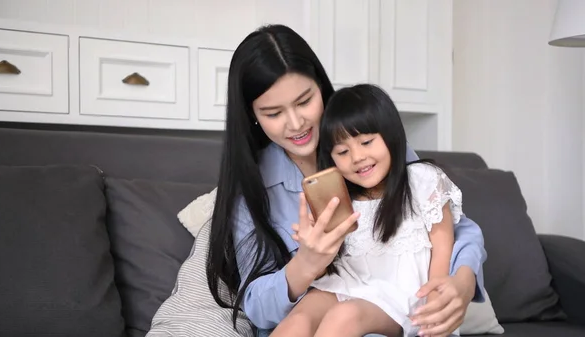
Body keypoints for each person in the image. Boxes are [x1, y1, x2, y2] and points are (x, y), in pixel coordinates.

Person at [205, 24, 486, 337]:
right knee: (301, 321)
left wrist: (463, 281)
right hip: (330, 295)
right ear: (252, 115)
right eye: (274, 113)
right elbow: (257, 306)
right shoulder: (253, 187)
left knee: (347, 320)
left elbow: (453, 225)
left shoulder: (374, 143)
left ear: (320, 87)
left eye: (304, 101)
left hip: (388, 305)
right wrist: (306, 265)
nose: (296, 123)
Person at [272, 83, 462, 337]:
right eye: (342, 151)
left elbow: (442, 245)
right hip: (347, 284)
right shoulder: (339, 198)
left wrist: (436, 301)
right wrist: (310, 250)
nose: (357, 157)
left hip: (402, 296)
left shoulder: (423, 179)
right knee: (297, 322)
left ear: (391, 135)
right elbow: (329, 264)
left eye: (367, 142)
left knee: (344, 317)